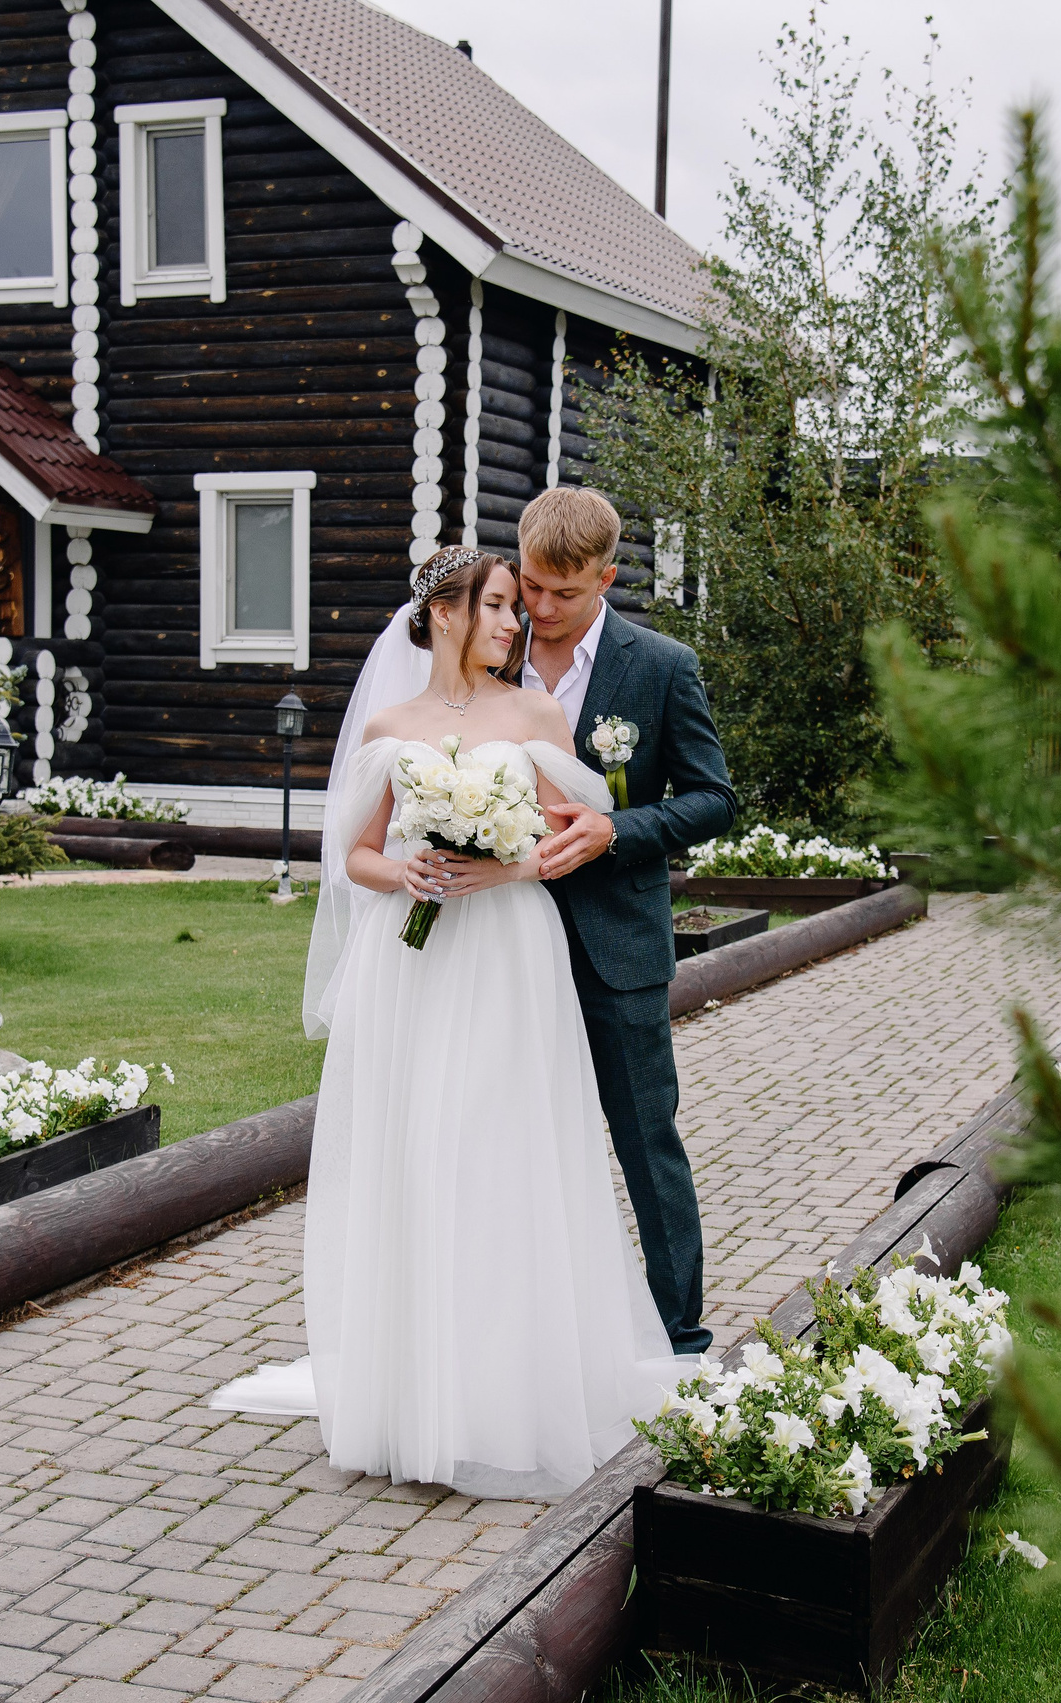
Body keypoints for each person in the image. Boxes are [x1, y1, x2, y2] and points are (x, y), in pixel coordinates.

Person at [210, 544, 689, 1497]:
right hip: (414, 963)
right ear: (444, 614)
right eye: (499, 606)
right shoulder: (390, 725)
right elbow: (355, 853)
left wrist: (498, 866)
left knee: (502, 1149)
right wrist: (411, 870)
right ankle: (418, 1393)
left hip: (510, 953)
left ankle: (510, 1389)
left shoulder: (535, 714)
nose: (516, 624)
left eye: (517, 607)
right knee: (420, 1153)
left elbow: (564, 840)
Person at [504, 487, 737, 1356]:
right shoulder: (489, 653)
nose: (540, 607)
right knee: (508, 1137)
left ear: (606, 578)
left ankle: (679, 1333)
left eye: (564, 592)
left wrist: (617, 829)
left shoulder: (662, 665)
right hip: (501, 941)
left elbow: (714, 798)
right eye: (531, 584)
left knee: (646, 1138)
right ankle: (527, 1329)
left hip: (620, 946)